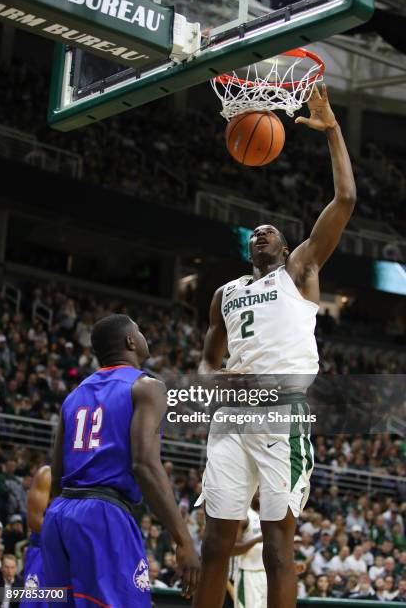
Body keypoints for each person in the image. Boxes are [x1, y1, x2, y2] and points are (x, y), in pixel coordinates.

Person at [194, 84, 357, 608]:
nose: (260, 235)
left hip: (280, 415)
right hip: (231, 419)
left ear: (287, 247)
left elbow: (345, 199)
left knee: (277, 550)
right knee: (215, 543)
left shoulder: (300, 272)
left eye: (270, 232)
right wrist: (209, 378)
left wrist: (331, 130)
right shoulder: (227, 293)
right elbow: (205, 360)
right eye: (254, 233)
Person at [41, 314, 200, 607]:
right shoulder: (146, 386)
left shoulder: (74, 395)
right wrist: (183, 539)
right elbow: (145, 464)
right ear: (130, 341)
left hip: (59, 516)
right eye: (139, 331)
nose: (143, 336)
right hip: (103, 516)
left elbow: (57, 474)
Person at [20, 466, 51, 608]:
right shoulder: (47, 474)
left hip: (72, 554)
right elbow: (35, 521)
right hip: (43, 550)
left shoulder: (90, 480)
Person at [232, 492, 265, 608]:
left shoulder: (272, 515)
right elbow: (233, 550)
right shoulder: (244, 516)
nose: (261, 492)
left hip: (269, 575)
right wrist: (257, 540)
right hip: (248, 575)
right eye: (258, 488)